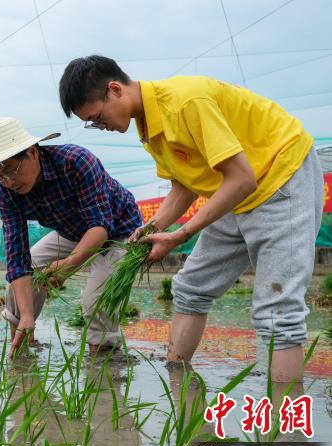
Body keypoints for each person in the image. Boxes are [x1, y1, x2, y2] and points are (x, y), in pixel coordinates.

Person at [58, 55, 323, 383]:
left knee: (277, 312)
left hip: (282, 177)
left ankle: (287, 429)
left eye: (97, 118)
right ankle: (180, 388)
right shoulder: (149, 128)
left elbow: (241, 178)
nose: (101, 127)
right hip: (234, 194)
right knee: (190, 289)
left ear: (115, 90)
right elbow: (182, 188)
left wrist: (180, 235)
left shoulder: (185, 103)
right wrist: (152, 228)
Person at [0, 117, 142, 357]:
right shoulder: (7, 194)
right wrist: (27, 314)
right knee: (19, 284)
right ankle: (23, 351)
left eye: (10, 170)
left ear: (32, 152)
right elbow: (17, 259)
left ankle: (104, 363)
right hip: (71, 232)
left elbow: (100, 226)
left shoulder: (76, 162)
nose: (8, 181)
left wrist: (66, 266)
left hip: (119, 230)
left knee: (96, 298)